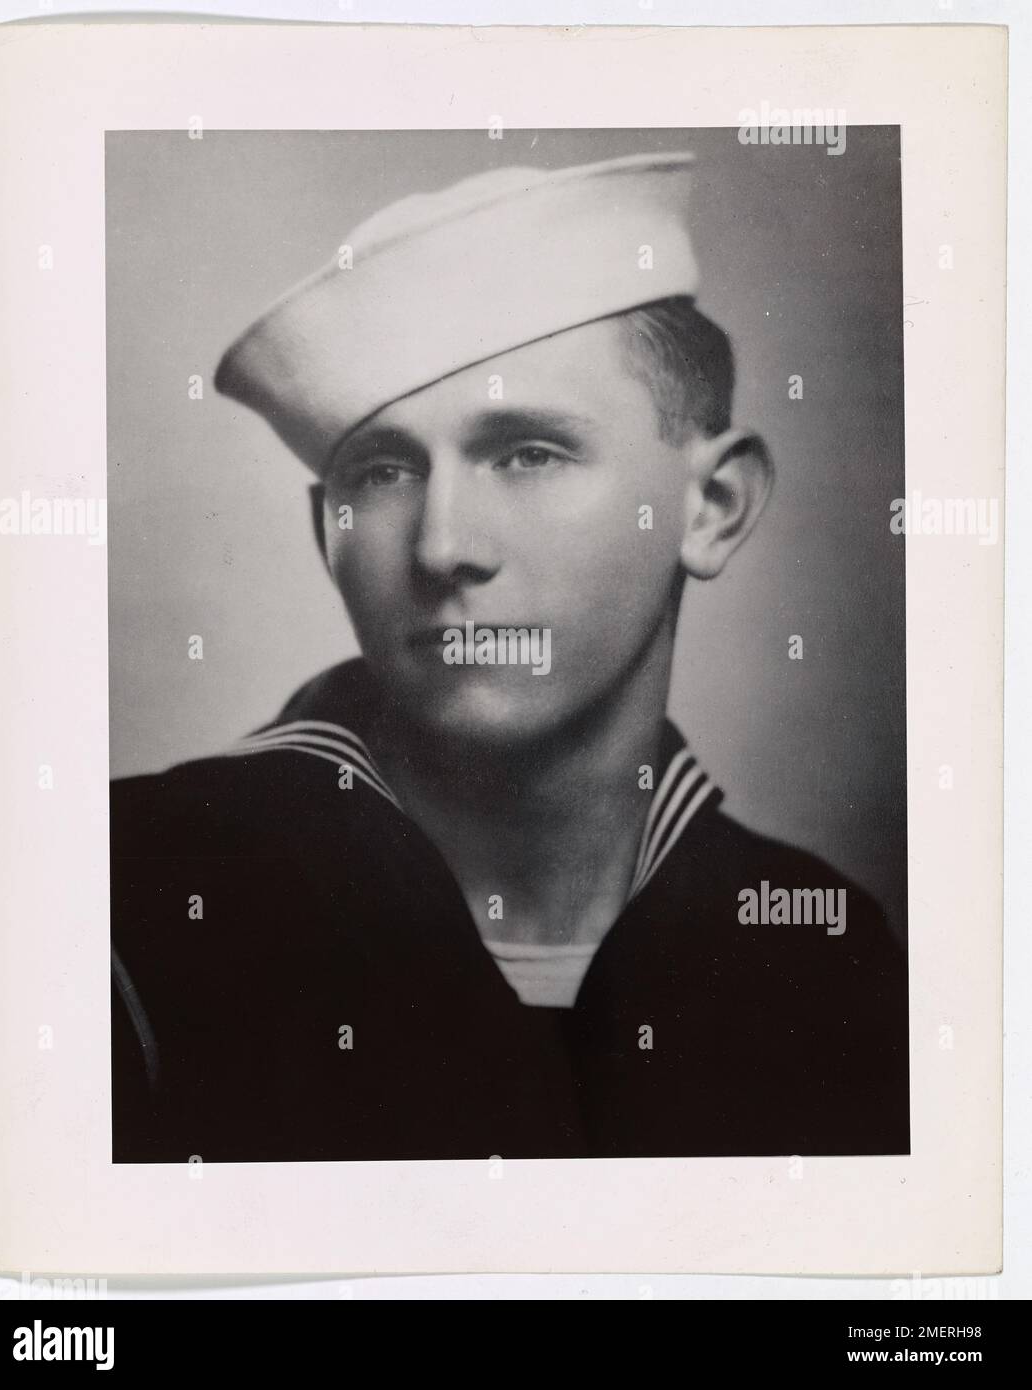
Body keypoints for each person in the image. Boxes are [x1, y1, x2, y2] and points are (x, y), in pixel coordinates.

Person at [111, 152, 909, 1162]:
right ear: (326, 533)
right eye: (384, 471)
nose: (444, 546)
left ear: (710, 506)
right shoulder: (128, 903)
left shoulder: (819, 951)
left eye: (528, 453)